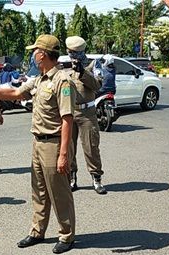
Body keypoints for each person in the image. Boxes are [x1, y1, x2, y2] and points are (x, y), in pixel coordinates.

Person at [0, 34, 77, 254]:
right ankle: (38, 231)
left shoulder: (62, 81)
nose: (33, 55)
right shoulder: (39, 79)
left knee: (59, 192)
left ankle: (66, 235)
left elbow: (67, 119)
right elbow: (15, 93)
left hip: (54, 144)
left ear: (43, 54)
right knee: (39, 191)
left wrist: (64, 154)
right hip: (38, 143)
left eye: (35, 51)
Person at [64, 36, 106, 195]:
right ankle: (72, 177)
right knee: (69, 148)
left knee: (91, 147)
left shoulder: (93, 64)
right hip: (69, 111)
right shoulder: (64, 65)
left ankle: (97, 179)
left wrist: (82, 72)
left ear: (82, 52)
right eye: (70, 53)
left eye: (75, 53)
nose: (73, 56)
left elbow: (98, 86)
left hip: (87, 113)